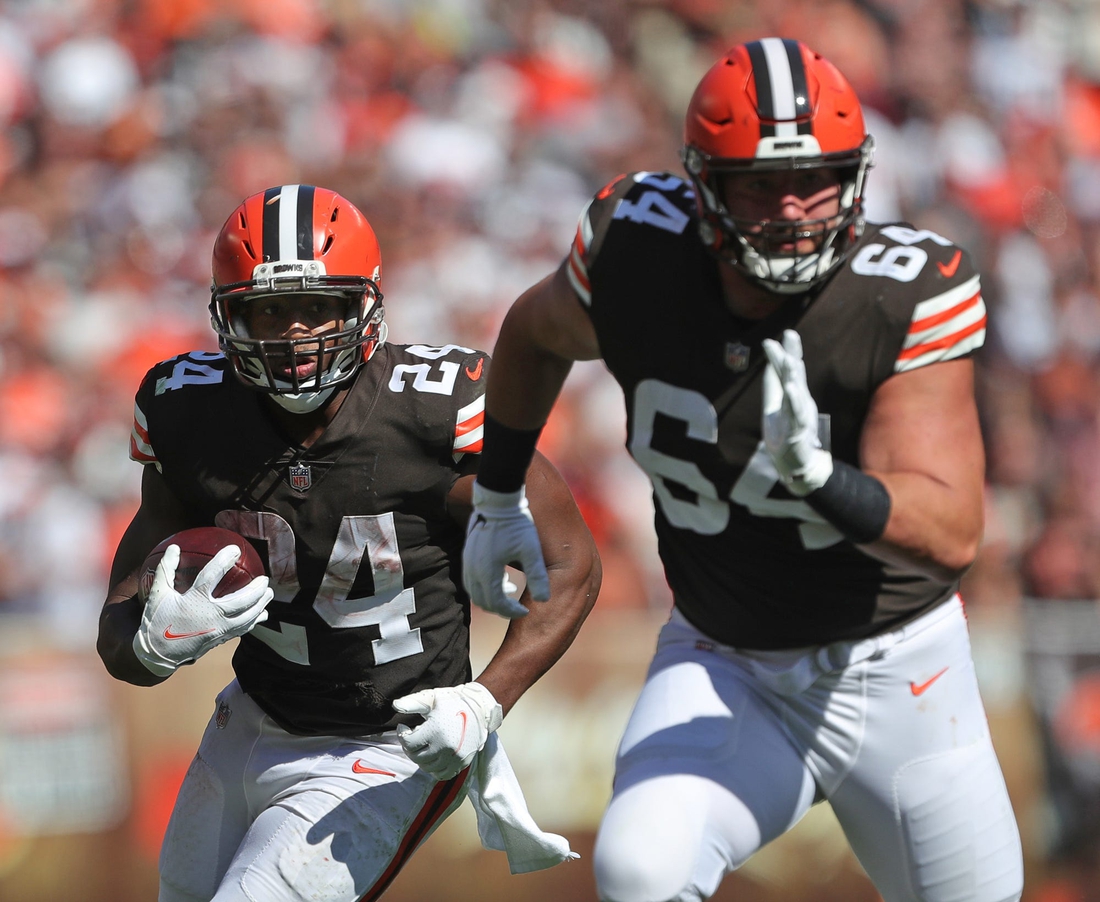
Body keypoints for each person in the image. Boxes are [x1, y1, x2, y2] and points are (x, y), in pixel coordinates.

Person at [462, 37, 1023, 902]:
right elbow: (533, 335)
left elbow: (952, 534)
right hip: (724, 652)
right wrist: (498, 493)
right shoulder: (637, 249)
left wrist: (822, 478)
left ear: (857, 176)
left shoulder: (899, 290)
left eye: (816, 178)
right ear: (702, 183)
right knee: (639, 871)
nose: (794, 207)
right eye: (761, 182)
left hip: (896, 666)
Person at [96, 184, 601, 902]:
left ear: (363, 307)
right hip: (254, 716)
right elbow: (118, 629)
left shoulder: (430, 412)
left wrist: (486, 700)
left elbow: (569, 563)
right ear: (227, 316)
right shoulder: (188, 415)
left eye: (317, 307)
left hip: (388, 742)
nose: (295, 332)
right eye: (268, 310)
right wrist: (150, 648)